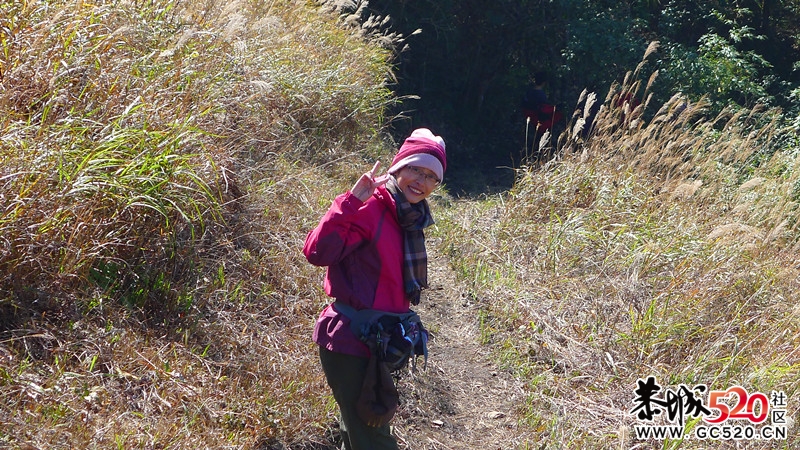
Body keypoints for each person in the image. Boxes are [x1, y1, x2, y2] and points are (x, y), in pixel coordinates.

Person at [303, 128, 446, 450]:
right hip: (352, 338)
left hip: (383, 339)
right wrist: (351, 202)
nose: (420, 181)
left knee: (358, 427)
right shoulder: (370, 208)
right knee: (372, 433)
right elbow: (317, 253)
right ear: (397, 167)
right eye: (414, 169)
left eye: (430, 177)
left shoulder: (410, 218)